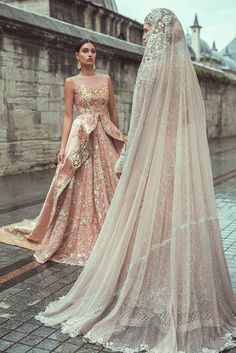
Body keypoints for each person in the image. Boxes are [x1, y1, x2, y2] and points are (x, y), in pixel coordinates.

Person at [35, 9, 236, 353]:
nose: (142, 37)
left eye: (145, 30)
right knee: (177, 218)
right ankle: (180, 292)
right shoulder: (182, 72)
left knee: (151, 219)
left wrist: (128, 159)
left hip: (153, 157)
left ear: (158, 32)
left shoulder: (151, 69)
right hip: (178, 156)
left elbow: (140, 121)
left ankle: (152, 289)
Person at [2, 39, 125, 266]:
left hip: (104, 136)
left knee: (112, 181)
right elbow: (68, 115)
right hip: (81, 137)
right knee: (76, 183)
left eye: (93, 51)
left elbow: (113, 112)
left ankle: (114, 229)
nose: (90, 55)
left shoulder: (106, 79)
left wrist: (117, 140)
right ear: (76, 56)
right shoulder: (71, 82)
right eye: (85, 51)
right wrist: (62, 147)